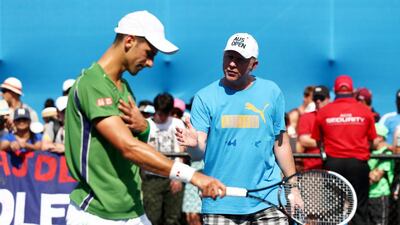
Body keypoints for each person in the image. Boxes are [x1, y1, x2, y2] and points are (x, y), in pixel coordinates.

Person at [64, 10, 225, 225]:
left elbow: (133, 148)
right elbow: (128, 148)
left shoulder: (123, 87)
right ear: (129, 41)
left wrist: (144, 129)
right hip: (95, 214)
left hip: (133, 210)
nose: (150, 63)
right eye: (149, 53)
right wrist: (194, 176)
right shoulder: (92, 83)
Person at [176, 33, 301, 224]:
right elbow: (198, 154)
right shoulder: (204, 97)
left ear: (253, 64)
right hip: (220, 200)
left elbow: (281, 144)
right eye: (229, 57)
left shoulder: (272, 92)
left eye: (240, 59)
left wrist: (293, 187)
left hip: (269, 199)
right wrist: (193, 145)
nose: (232, 64)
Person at [312, 75, 378, 225]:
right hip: (358, 164)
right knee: (359, 209)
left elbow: (317, 141)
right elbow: (373, 140)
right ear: (352, 90)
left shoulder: (324, 111)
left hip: (333, 164)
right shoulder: (365, 110)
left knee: (333, 210)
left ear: (335, 90)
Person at [141, 92, 186, 225]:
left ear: (170, 111)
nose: (161, 117)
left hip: (173, 176)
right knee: (151, 217)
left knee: (173, 218)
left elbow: (181, 152)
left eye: (165, 114)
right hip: (151, 178)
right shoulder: (146, 124)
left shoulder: (177, 124)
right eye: (159, 113)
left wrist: (177, 177)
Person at [297, 85, 330, 171]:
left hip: (334, 169)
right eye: (315, 98)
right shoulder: (306, 117)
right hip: (312, 169)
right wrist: (331, 143)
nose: (318, 101)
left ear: (328, 98)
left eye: (321, 97)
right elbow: (304, 141)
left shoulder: (335, 117)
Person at [368, 123, 394, 225]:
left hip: (380, 196)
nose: (367, 139)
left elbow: (375, 176)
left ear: (379, 137)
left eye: (370, 136)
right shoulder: (370, 152)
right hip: (368, 196)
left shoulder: (387, 153)